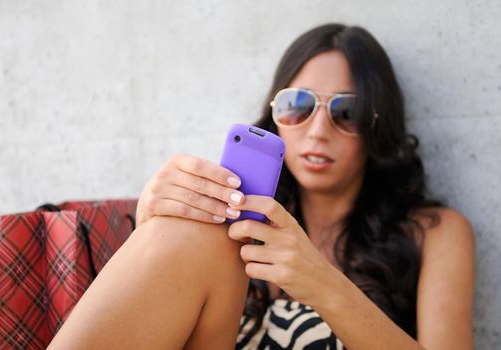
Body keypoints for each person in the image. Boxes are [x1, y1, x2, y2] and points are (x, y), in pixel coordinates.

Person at [48, 24, 474, 349]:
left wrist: (321, 283)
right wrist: (152, 226)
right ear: (275, 116)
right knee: (185, 231)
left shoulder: (436, 232)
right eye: (298, 105)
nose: (318, 131)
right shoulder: (231, 223)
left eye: (348, 112)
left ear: (379, 125)